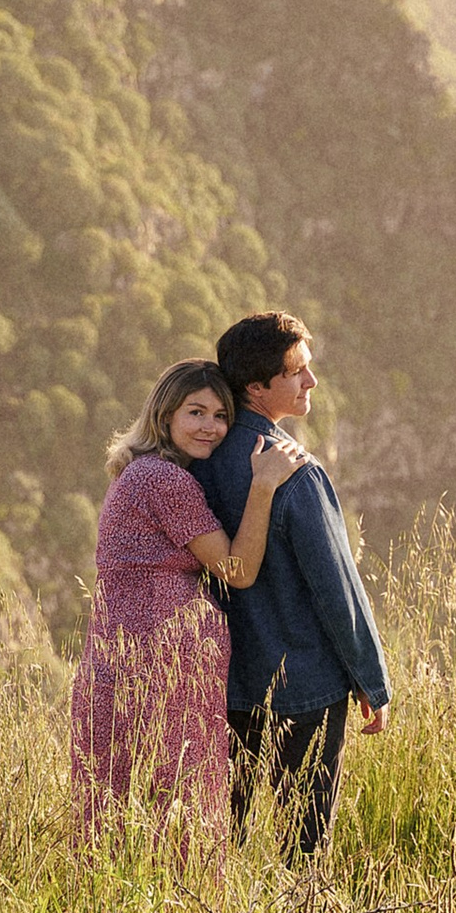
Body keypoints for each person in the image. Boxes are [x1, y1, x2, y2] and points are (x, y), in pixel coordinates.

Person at [70, 358, 308, 847]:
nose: (211, 427)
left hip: (126, 668)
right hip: (155, 676)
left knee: (114, 825)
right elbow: (237, 571)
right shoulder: (165, 481)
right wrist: (263, 485)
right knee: (174, 824)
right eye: (195, 412)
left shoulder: (140, 473)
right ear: (165, 415)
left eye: (221, 416)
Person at [201, 311, 391, 855]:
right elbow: (337, 585)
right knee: (303, 848)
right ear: (257, 387)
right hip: (304, 686)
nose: (311, 382)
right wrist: (371, 680)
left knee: (220, 844)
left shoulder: (194, 461)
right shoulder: (296, 471)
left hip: (222, 683)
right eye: (297, 372)